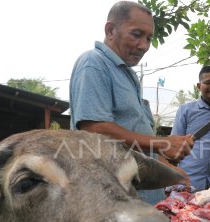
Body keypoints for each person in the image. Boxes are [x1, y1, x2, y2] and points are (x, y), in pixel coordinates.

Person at [69, 1, 193, 205]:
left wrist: (165, 167)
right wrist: (163, 143)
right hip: (113, 203)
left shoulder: (126, 74)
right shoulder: (94, 63)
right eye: (136, 34)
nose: (144, 45)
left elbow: (136, 139)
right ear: (110, 30)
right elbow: (95, 129)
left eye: (149, 38)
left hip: (140, 201)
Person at [171, 66, 210, 192]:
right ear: (199, 86)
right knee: (188, 212)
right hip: (189, 181)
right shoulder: (186, 110)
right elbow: (174, 143)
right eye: (208, 82)